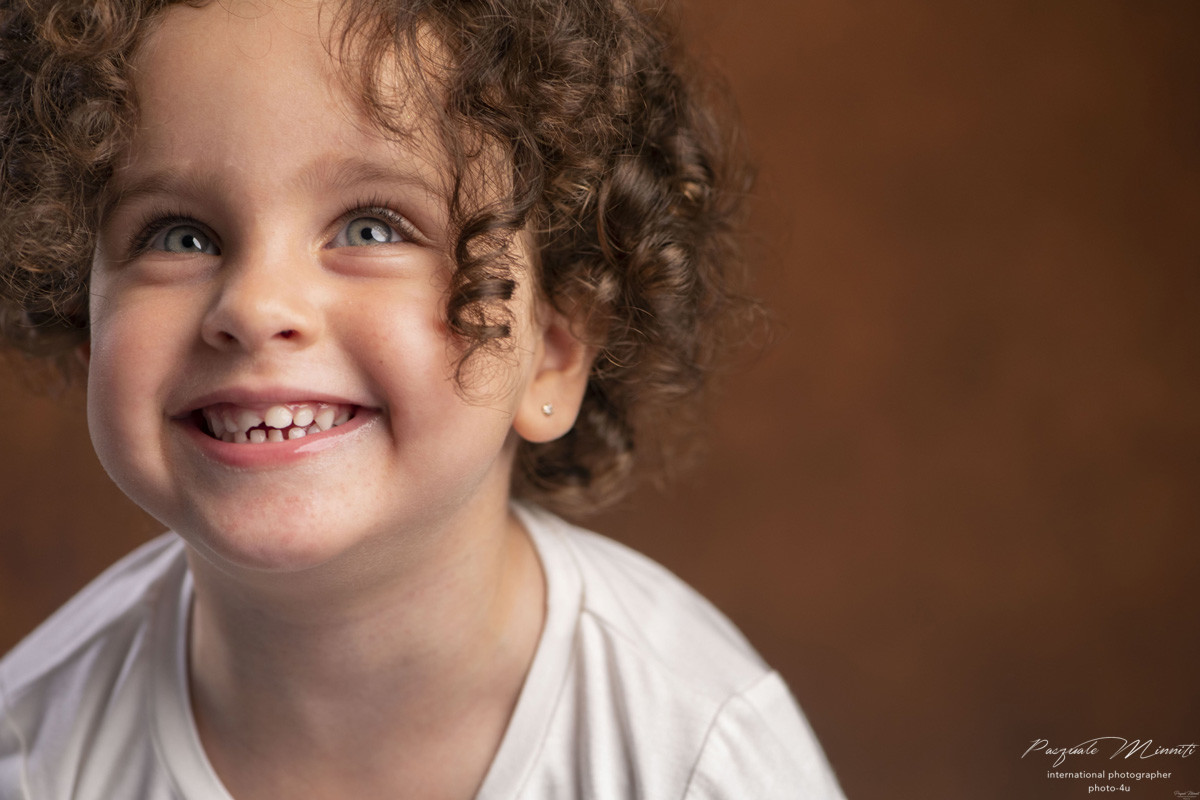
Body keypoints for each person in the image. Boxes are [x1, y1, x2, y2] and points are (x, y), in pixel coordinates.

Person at [0, 0, 845, 797]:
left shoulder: (694, 756)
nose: (254, 307)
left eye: (372, 227)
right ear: (83, 312)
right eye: (179, 235)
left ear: (553, 346)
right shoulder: (34, 752)